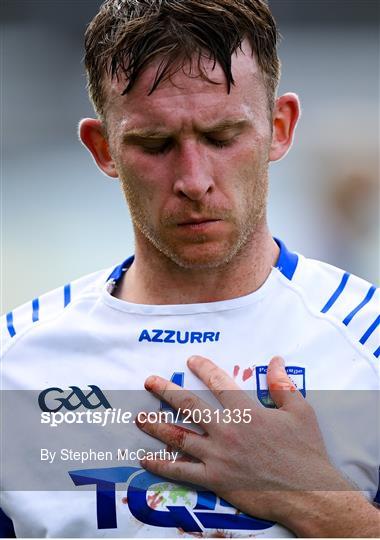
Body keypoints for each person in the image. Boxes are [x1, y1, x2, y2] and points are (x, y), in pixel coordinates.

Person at [1, 0, 379, 537]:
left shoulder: (369, 342)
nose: (194, 179)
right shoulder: (16, 364)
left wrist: (310, 498)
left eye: (222, 137)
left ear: (280, 127)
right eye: (155, 144)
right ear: (103, 148)